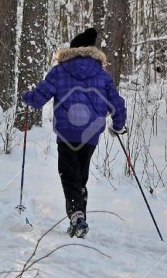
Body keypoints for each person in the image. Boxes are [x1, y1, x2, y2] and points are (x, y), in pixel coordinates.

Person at [21, 27, 127, 238]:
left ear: (72, 50)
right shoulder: (102, 74)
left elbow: (38, 98)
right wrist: (118, 125)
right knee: (80, 176)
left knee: (69, 176)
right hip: (91, 133)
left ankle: (77, 216)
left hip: (67, 132)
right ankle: (79, 218)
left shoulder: (59, 71)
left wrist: (26, 96)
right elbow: (117, 104)